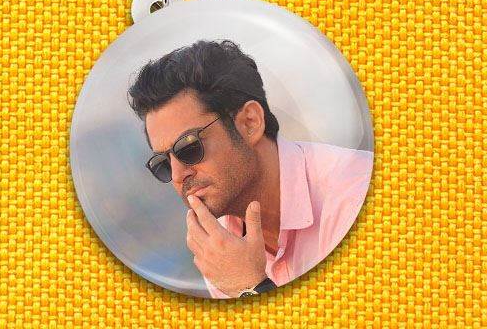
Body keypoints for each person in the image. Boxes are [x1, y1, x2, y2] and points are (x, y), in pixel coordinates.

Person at [127, 39, 373, 298]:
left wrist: (251, 286)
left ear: (250, 123)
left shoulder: (353, 195)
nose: (178, 176)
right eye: (163, 163)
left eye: (188, 148)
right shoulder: (220, 244)